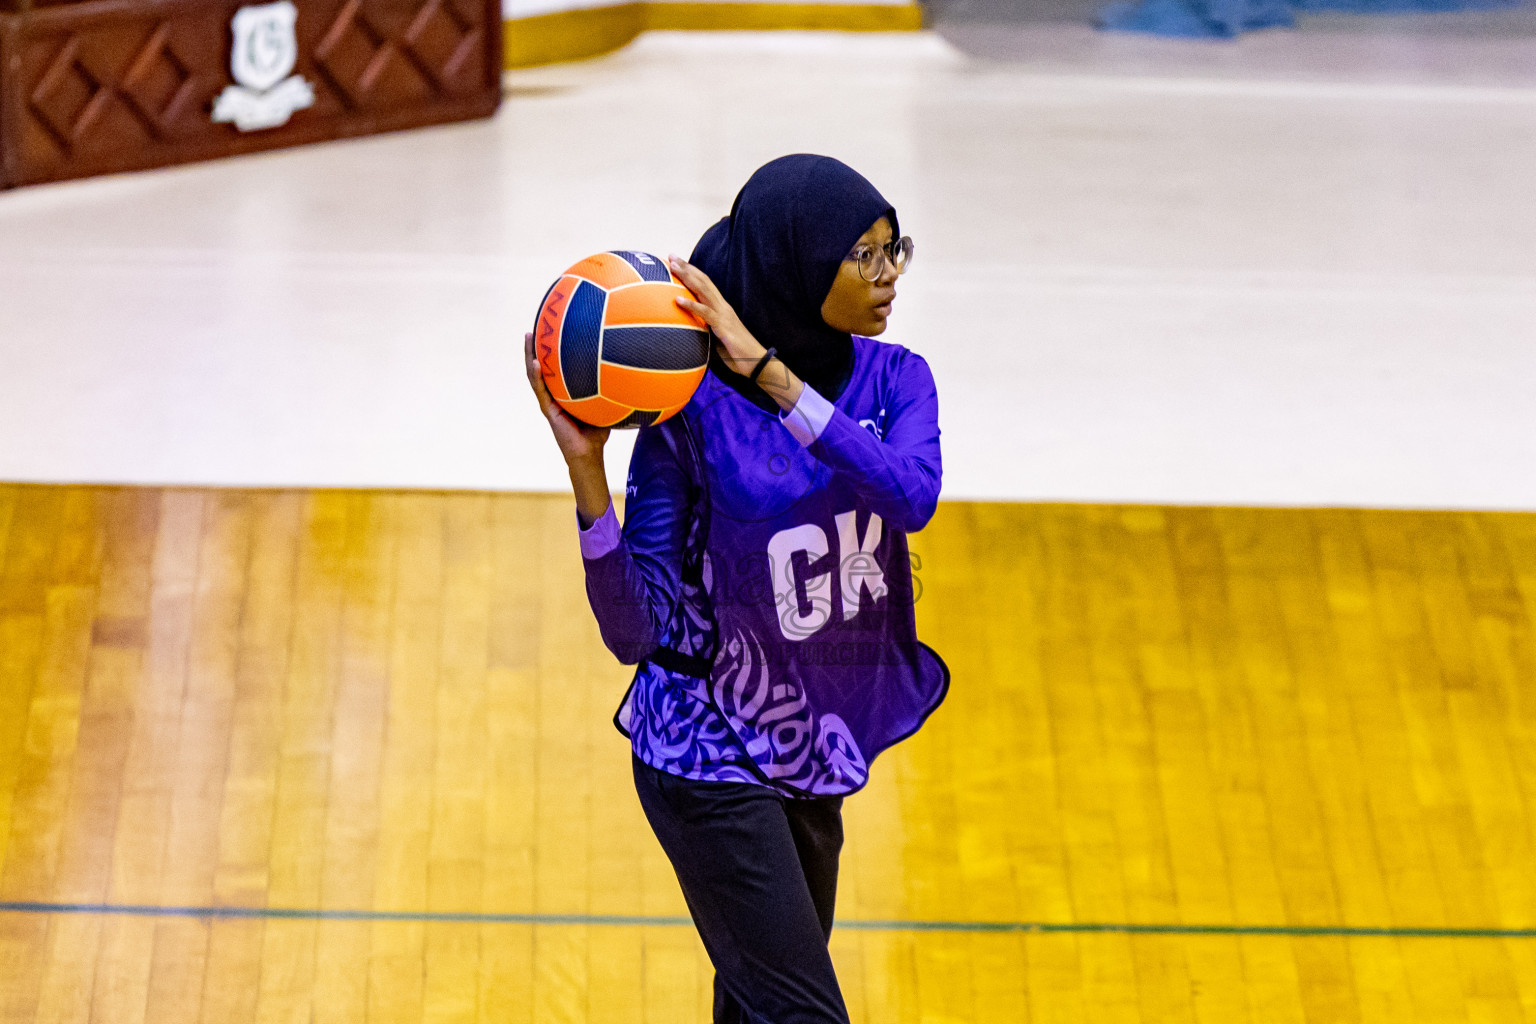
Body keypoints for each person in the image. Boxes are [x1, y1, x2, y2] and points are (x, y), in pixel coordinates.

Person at [523, 153, 949, 1024]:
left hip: (813, 739)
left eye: (891, 248)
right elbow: (635, 634)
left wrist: (776, 378)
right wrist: (587, 477)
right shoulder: (690, 416)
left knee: (756, 1008)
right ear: (794, 266)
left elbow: (910, 496)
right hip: (707, 753)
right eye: (862, 255)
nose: (887, 274)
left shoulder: (898, 380)